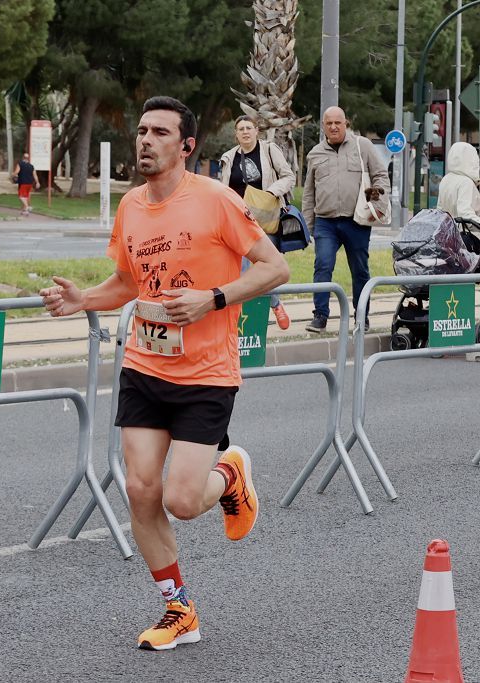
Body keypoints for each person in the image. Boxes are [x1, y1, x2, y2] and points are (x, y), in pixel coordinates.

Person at [39, 96, 289, 651]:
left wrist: (213, 299)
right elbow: (128, 283)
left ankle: (231, 475)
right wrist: (83, 300)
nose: (145, 140)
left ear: (187, 145)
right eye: (142, 131)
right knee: (140, 490)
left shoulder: (217, 201)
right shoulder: (130, 206)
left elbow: (276, 267)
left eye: (159, 133)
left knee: (180, 499)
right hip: (145, 364)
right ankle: (179, 610)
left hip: (206, 373)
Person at [302, 106, 390, 333]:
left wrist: (376, 203)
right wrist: (307, 225)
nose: (333, 127)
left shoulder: (363, 146)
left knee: (360, 270)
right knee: (322, 265)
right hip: (326, 222)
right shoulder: (314, 154)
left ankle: (362, 317)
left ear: (346, 124)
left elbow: (380, 175)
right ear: (323, 126)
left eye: (337, 123)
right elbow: (309, 192)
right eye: (328, 123)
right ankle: (320, 316)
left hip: (356, 221)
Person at [219, 115, 297, 329]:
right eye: (241, 128)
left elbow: (289, 177)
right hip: (237, 220)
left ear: (256, 131)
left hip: (265, 217)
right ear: (236, 134)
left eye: (248, 128)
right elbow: (223, 188)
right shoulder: (228, 157)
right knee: (242, 268)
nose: (245, 132)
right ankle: (261, 309)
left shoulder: (269, 150)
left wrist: (272, 191)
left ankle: (275, 304)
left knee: (268, 266)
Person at [437, 141, 480, 222]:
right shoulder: (466, 182)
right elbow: (466, 215)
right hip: (467, 233)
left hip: (449, 231)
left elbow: (440, 210)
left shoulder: (446, 179)